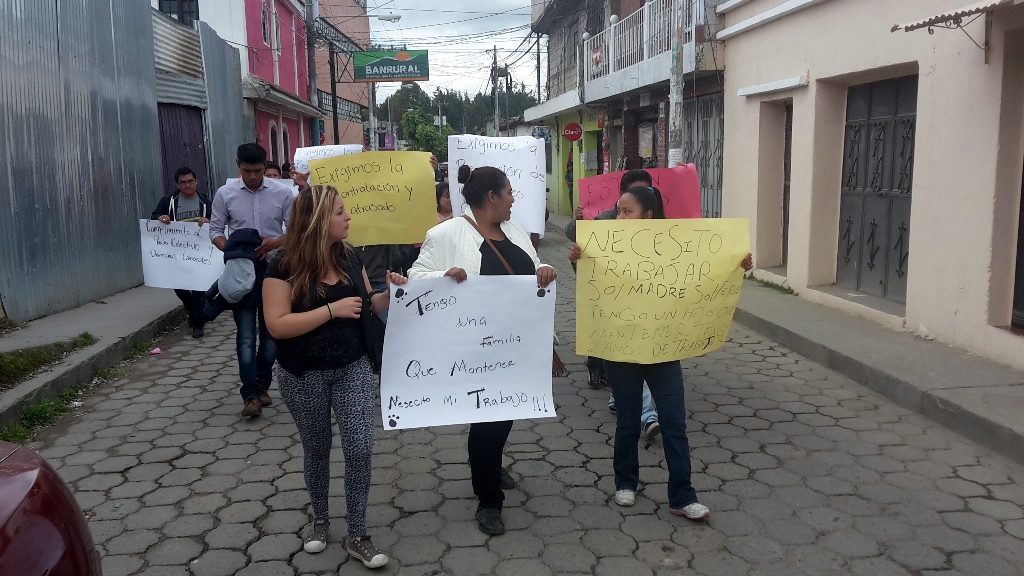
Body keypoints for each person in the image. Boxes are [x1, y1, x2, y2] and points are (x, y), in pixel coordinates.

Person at [568, 185, 752, 520]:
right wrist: (578, 261)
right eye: (619, 211)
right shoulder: (606, 243)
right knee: (627, 421)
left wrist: (737, 262)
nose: (619, 217)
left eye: (627, 212)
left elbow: (706, 269)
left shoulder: (676, 246)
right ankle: (626, 481)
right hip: (620, 349)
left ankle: (683, 495)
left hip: (663, 350)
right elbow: (591, 282)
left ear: (648, 216)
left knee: (674, 423)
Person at [409, 164, 557, 536]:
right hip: (473, 349)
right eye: (509, 192)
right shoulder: (445, 235)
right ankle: (489, 499)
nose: (512, 199)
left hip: (515, 344)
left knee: (503, 414)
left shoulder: (515, 229)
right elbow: (415, 277)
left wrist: (546, 269)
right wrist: (442, 276)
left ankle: (486, 466)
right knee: (489, 420)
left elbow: (534, 265)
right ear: (492, 196)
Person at [263, 184, 404, 569]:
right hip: (302, 372)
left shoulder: (348, 254)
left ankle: (357, 532)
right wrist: (331, 310)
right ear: (320, 220)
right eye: (341, 212)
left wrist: (390, 294)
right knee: (317, 447)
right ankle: (320, 520)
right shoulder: (282, 264)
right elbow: (277, 325)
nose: (349, 217)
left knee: (359, 447)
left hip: (353, 365)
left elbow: (367, 304)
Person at [210, 143, 294, 418]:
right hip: (242, 275)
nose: (254, 176)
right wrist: (234, 252)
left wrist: (274, 244)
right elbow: (215, 231)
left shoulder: (283, 192)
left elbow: (295, 232)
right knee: (246, 336)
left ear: (265, 166)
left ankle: (262, 385)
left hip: (275, 273)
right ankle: (250, 394)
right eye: (247, 171)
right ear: (238, 167)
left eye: (258, 171)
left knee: (271, 337)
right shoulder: (226, 194)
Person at [151, 166, 212, 339]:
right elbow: (155, 215)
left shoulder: (205, 202)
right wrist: (160, 218)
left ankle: (197, 324)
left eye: (190, 181)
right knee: (180, 287)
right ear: (177, 185)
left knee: (199, 289)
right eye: (183, 182)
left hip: (199, 252)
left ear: (196, 181)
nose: (187, 185)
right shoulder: (168, 201)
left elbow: (218, 220)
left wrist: (208, 220)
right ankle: (192, 308)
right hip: (177, 253)